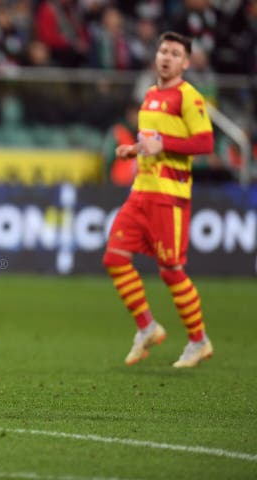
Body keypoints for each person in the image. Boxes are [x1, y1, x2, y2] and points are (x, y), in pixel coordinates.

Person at [103, 32, 215, 368]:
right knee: (115, 257)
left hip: (170, 196)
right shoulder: (150, 94)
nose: (166, 57)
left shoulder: (188, 97)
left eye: (175, 53)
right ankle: (147, 327)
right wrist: (133, 150)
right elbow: (151, 141)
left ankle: (199, 341)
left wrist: (162, 144)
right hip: (141, 191)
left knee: (171, 271)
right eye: (163, 50)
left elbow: (205, 143)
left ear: (185, 62)